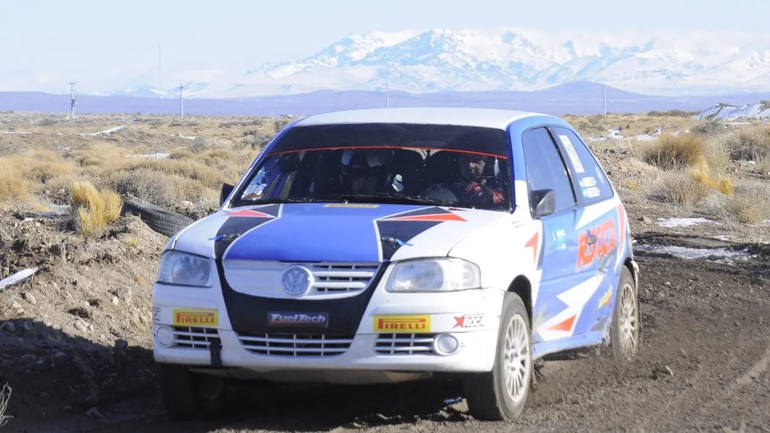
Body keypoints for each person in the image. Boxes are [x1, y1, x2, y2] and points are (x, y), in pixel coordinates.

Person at [441, 152, 505, 206]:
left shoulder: (502, 184)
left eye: (477, 160)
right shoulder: (446, 186)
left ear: (488, 164)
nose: (470, 165)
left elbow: (503, 201)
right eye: (464, 160)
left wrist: (490, 195)